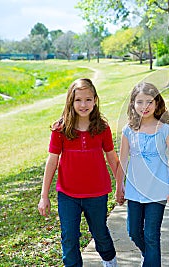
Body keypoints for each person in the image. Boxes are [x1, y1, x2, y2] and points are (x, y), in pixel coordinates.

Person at [37, 78, 119, 267]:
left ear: (95, 100)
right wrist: (44, 195)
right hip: (67, 194)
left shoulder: (102, 128)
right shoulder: (60, 129)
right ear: (70, 102)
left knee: (100, 232)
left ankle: (110, 260)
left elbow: (112, 158)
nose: (83, 105)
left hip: (97, 193)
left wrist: (122, 186)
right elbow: (52, 161)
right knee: (69, 237)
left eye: (88, 99)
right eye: (78, 100)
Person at [115, 82, 169, 267]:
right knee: (134, 232)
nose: (144, 107)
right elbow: (123, 161)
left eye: (149, 102)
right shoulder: (128, 131)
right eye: (140, 102)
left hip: (157, 191)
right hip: (135, 190)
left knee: (152, 234)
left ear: (157, 103)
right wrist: (119, 187)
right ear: (133, 104)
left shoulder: (165, 130)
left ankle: (151, 260)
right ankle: (148, 255)